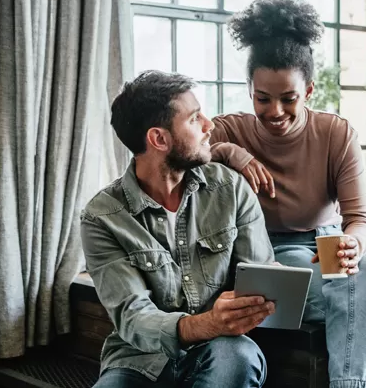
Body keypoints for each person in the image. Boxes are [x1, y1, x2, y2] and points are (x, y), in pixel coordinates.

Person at [209, 0, 366, 387]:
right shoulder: (228, 130)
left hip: (323, 247)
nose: (275, 111)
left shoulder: (336, 133)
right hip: (265, 253)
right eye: (263, 98)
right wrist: (232, 154)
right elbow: (184, 157)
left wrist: (355, 244)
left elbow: (359, 218)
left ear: (308, 90)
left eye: (288, 98)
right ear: (249, 89)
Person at [80, 70, 278, 388]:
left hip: (223, 347)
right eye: (194, 118)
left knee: (238, 360)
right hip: (138, 358)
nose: (209, 125)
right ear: (159, 139)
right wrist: (204, 323)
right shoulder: (102, 217)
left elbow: (258, 277)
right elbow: (133, 316)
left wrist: (267, 291)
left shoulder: (230, 189)